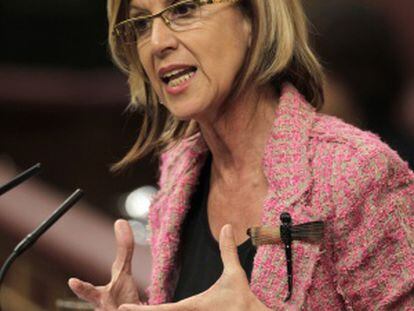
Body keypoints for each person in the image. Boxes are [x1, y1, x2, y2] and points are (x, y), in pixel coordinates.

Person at [68, 0, 414, 310]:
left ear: (252, 18)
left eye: (184, 9)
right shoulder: (178, 169)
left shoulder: (358, 170)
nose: (157, 42)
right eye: (142, 23)